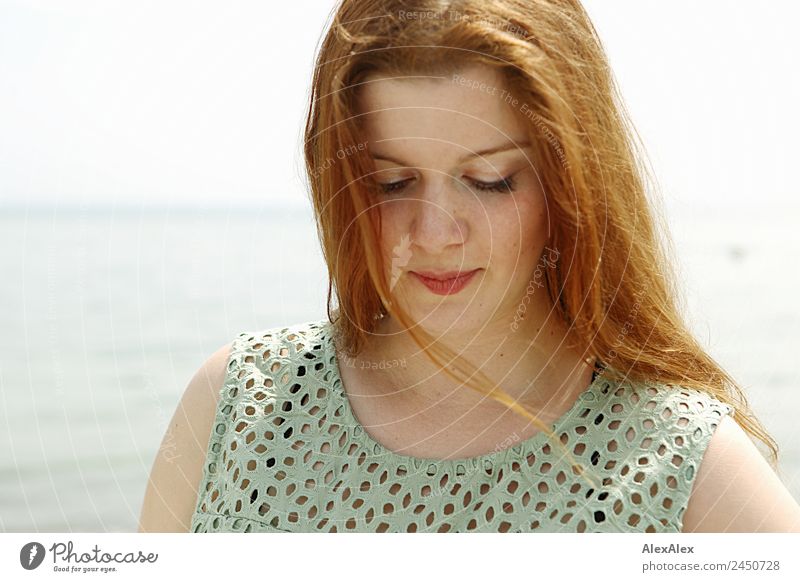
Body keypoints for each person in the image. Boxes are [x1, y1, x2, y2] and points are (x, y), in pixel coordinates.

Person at [138, 0, 800, 533]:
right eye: (391, 182)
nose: (435, 233)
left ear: (569, 185)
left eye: (489, 181)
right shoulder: (235, 407)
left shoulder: (686, 470)